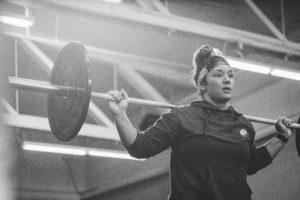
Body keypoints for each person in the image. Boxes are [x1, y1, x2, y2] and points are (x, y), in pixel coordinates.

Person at [107, 45, 293, 200]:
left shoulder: (243, 124)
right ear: (202, 84)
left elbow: (251, 164)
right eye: (218, 75)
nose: (227, 79)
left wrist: (282, 138)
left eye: (230, 75)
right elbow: (140, 147)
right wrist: (120, 114)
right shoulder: (180, 118)